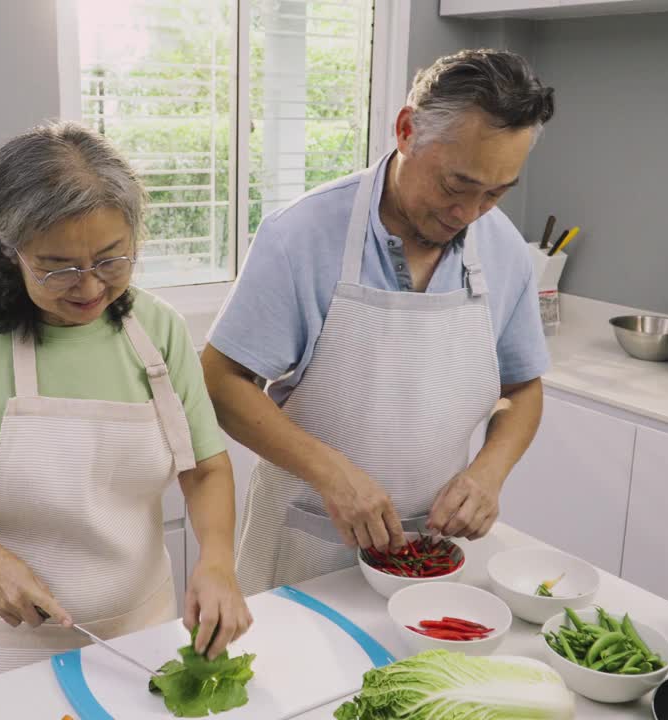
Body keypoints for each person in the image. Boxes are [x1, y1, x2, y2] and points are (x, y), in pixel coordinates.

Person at [0, 121, 251, 685]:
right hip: (12, 647)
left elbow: (204, 467)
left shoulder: (159, 331)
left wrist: (218, 561)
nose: (90, 287)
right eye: (57, 266)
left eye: (111, 259)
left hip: (143, 630)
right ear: (8, 248)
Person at [202, 49, 555, 595]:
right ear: (407, 130)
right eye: (456, 185)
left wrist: (489, 472)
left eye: (495, 192)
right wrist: (331, 473)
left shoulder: (503, 248)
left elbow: (523, 388)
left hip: (430, 558)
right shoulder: (299, 236)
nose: (469, 213)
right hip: (304, 548)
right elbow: (220, 382)